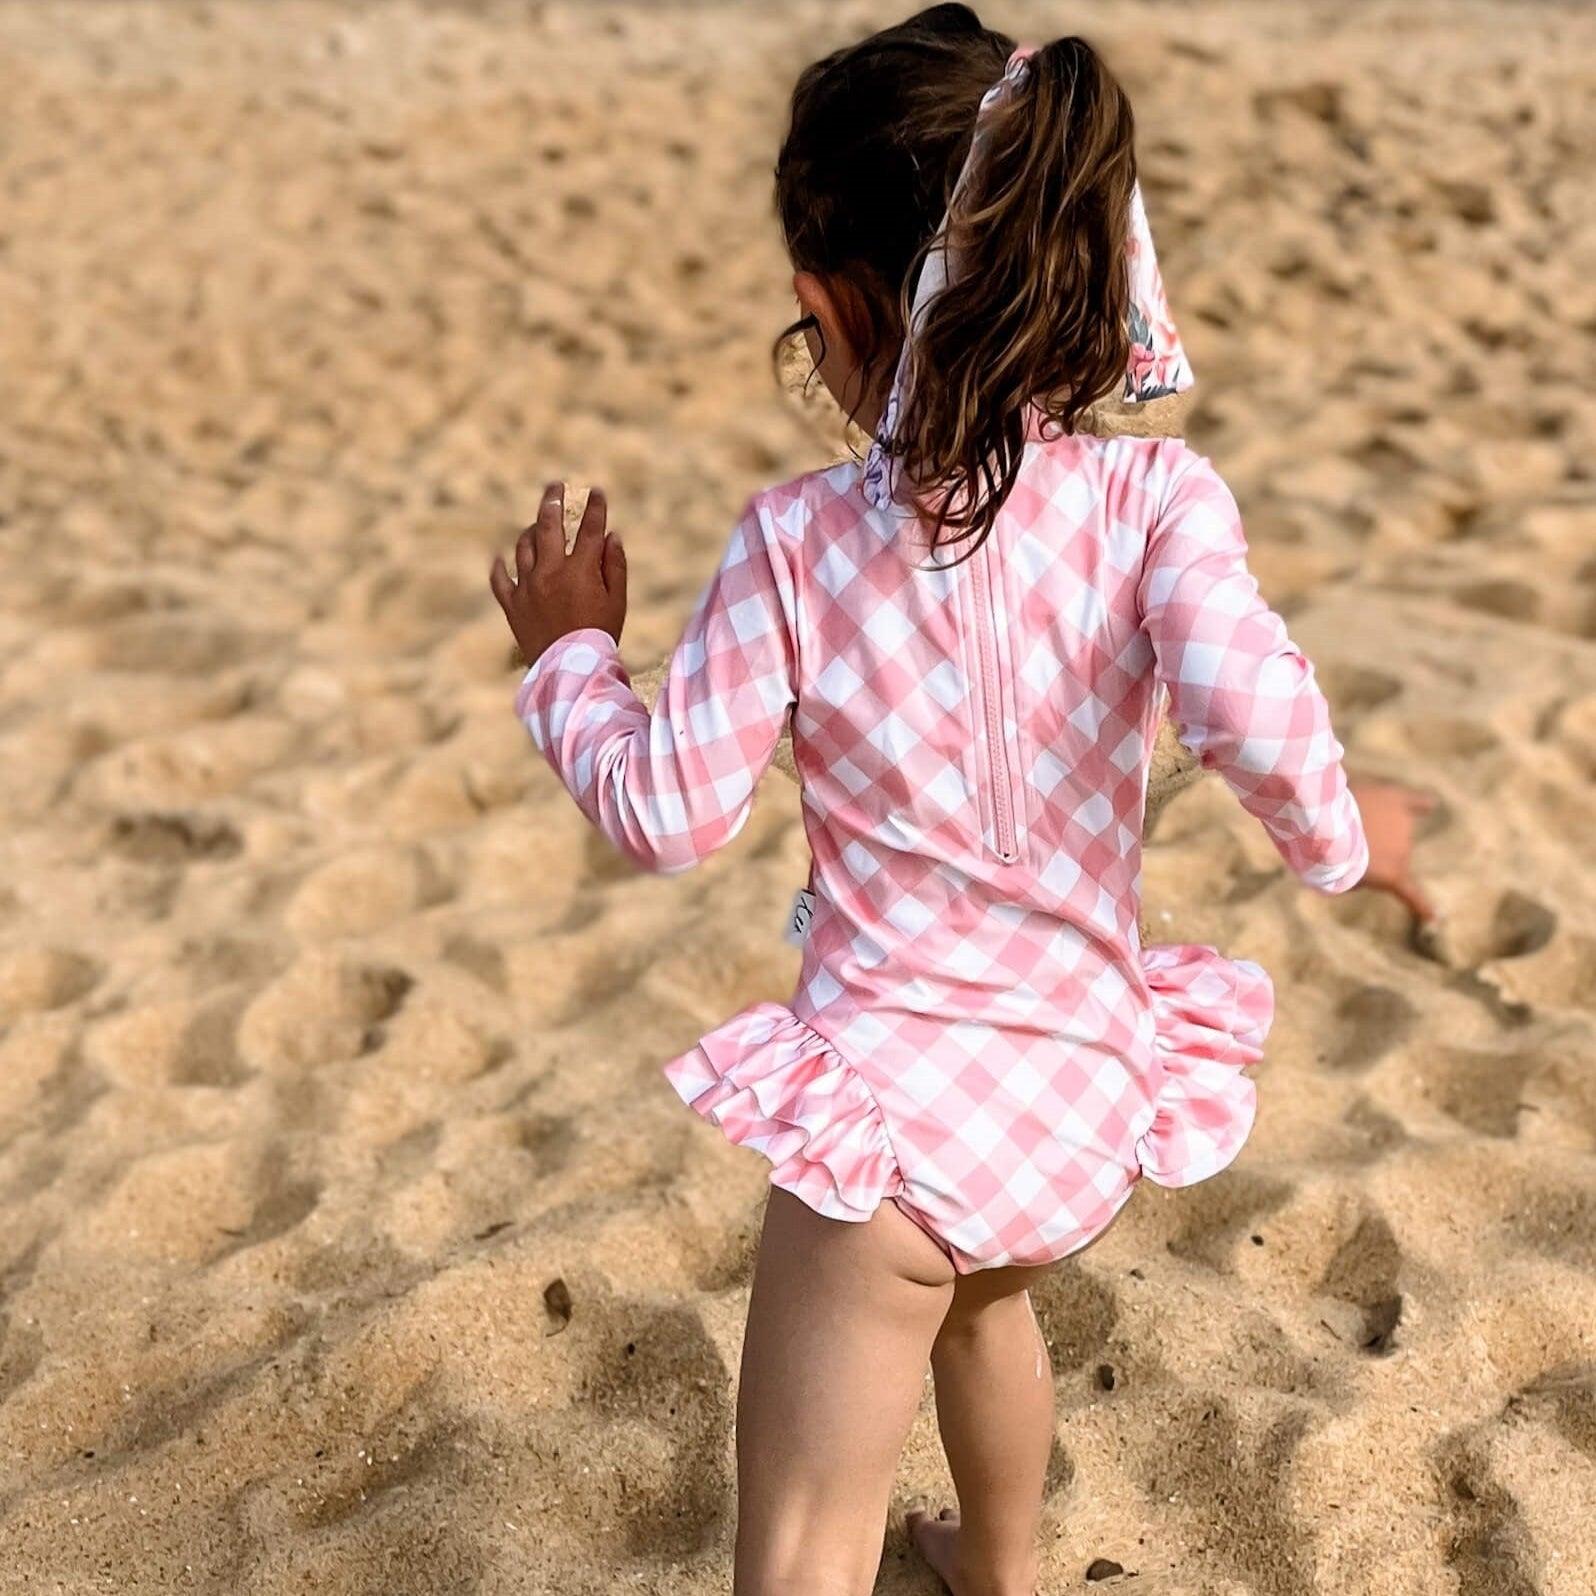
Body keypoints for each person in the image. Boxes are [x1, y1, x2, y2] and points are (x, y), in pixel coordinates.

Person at [490, 9, 1431, 1592]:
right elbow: (1256, 715)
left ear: (828, 311)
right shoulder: (1155, 500)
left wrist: (571, 659)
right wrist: (1351, 841)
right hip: (1077, 1108)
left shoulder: (795, 546)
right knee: (988, 1308)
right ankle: (997, 1567)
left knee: (799, 1535)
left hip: (889, 1130)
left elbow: (664, 815)